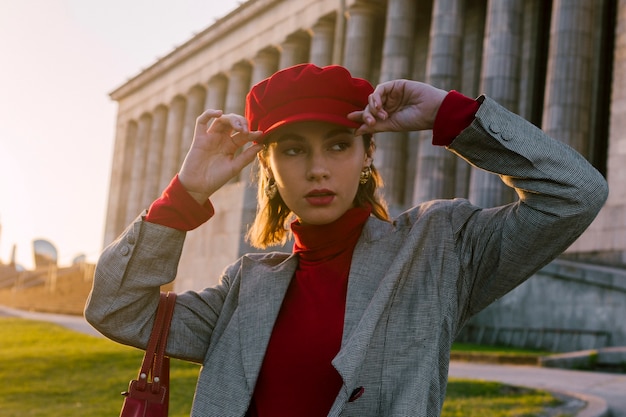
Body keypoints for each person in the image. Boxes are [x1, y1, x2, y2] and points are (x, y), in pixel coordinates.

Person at [85, 63, 608, 416]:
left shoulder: (439, 249)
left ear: (366, 157)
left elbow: (575, 194)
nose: (317, 170)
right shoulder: (244, 287)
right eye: (292, 149)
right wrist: (186, 192)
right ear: (265, 165)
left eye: (339, 144)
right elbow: (116, 308)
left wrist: (450, 115)